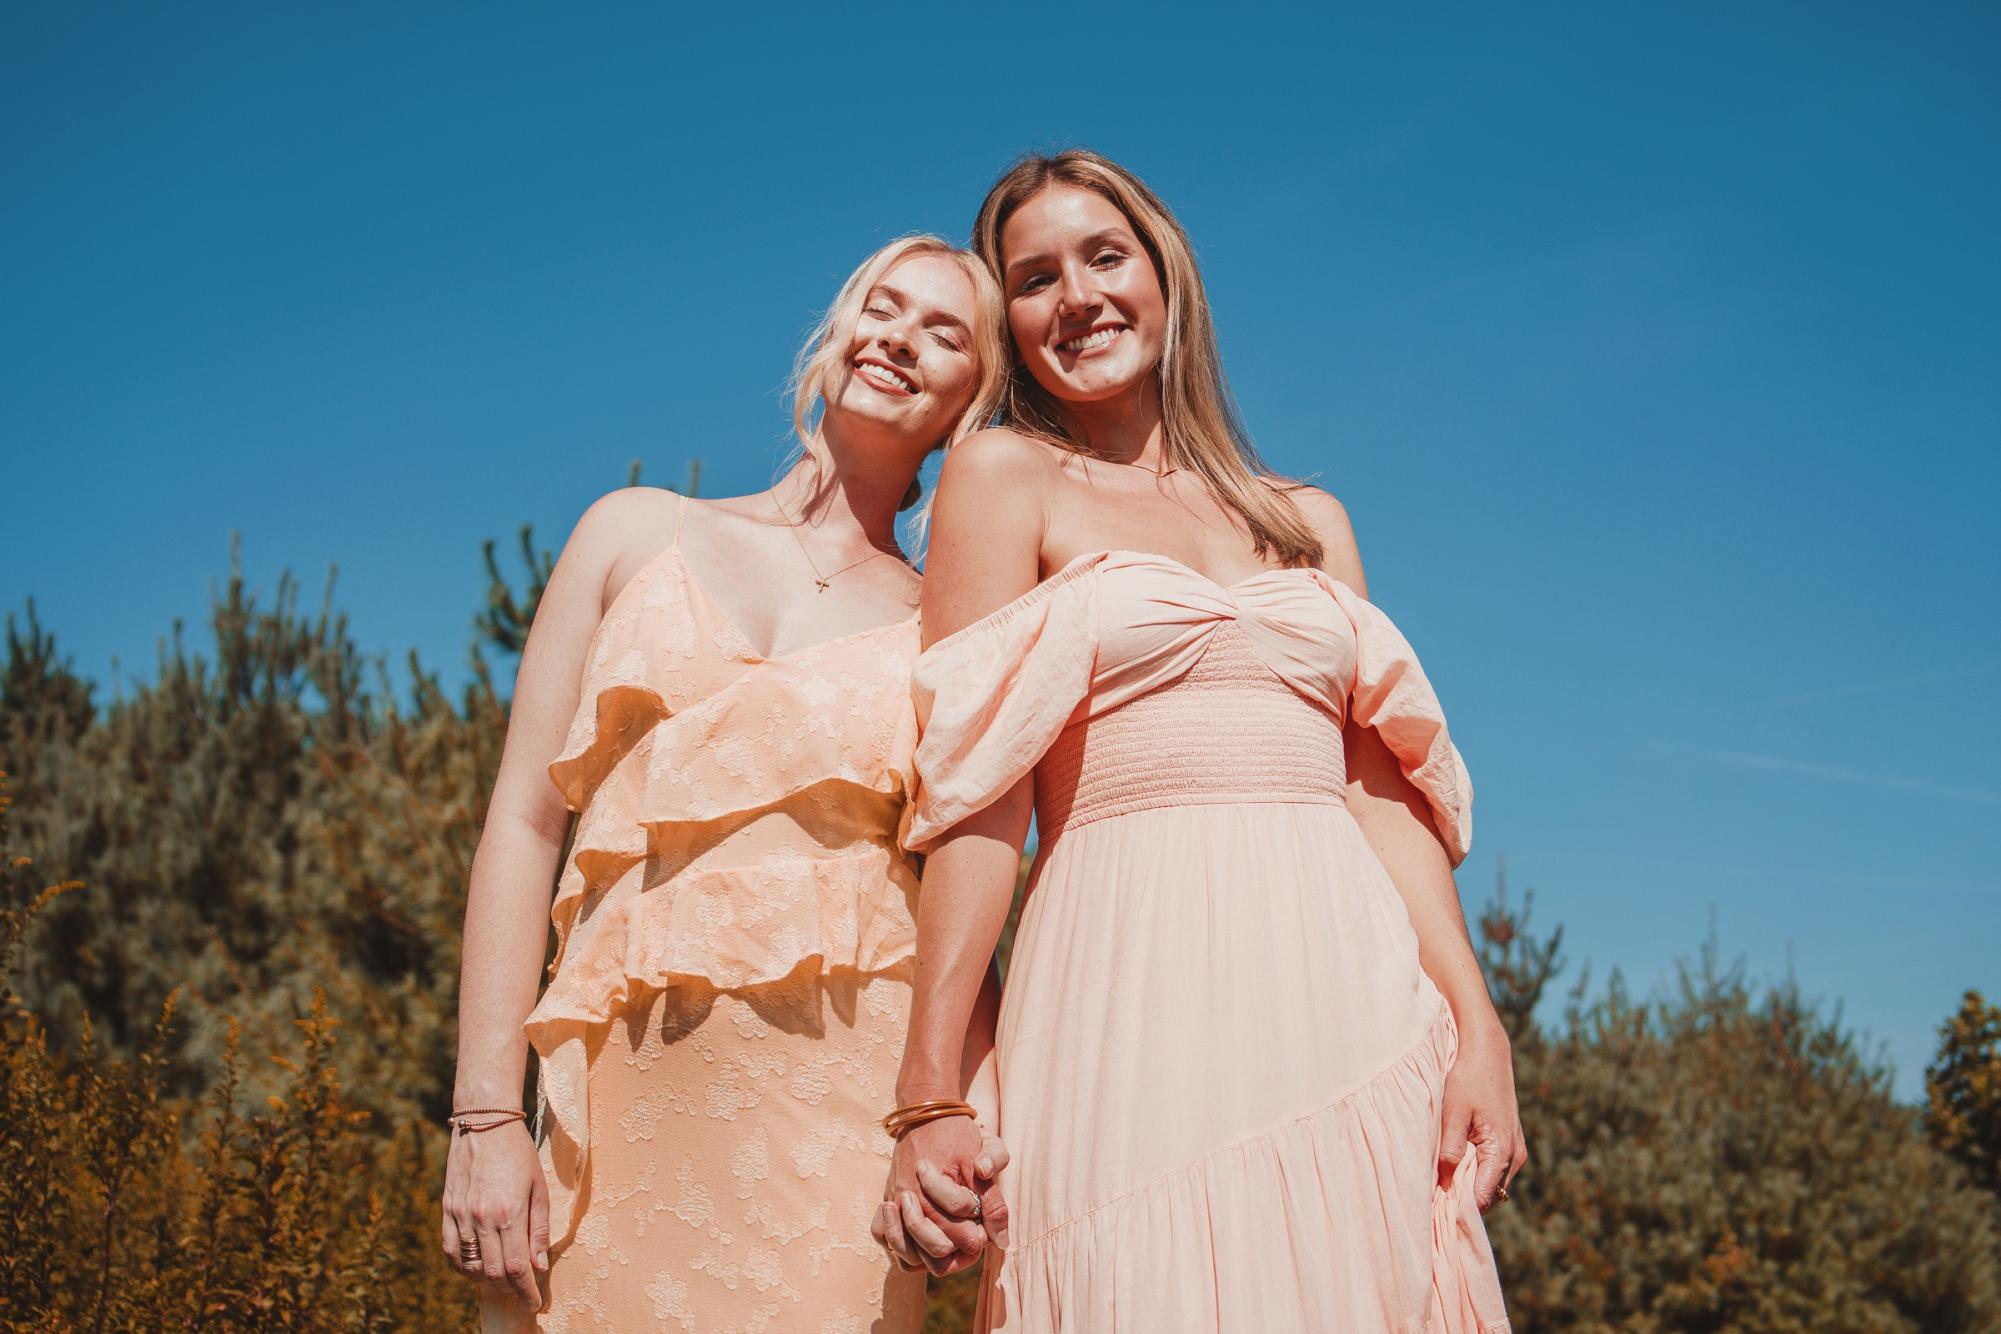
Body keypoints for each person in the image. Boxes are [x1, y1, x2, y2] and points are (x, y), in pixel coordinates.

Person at [875, 151, 1521, 1331]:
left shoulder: (1308, 520)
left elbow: (1378, 794)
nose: (1075, 296)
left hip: (1347, 991)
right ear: (1010, 323)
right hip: (1127, 981)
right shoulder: (1003, 474)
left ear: (1166, 275)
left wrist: (1478, 1027)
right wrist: (932, 1090)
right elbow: (974, 795)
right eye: (1033, 279)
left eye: (1104, 256)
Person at [444, 233, 1009, 1331]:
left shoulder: (946, 622)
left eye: (945, 332)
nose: (900, 336)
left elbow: (959, 897)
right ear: (838, 331)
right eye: (883, 307)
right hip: (612, 1111)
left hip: (835, 1135)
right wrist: (482, 1114)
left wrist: (968, 1125)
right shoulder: (628, 533)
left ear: (971, 402)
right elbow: (523, 821)